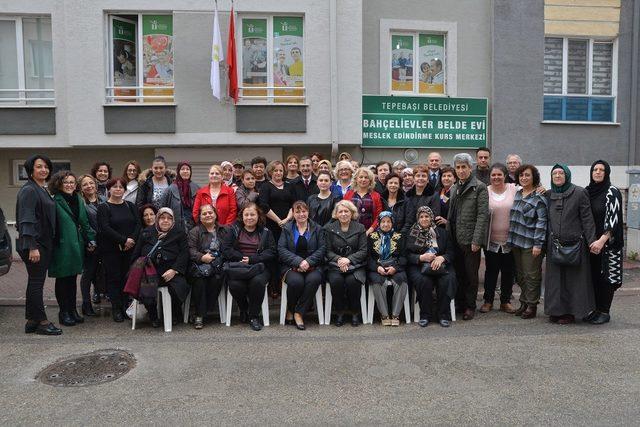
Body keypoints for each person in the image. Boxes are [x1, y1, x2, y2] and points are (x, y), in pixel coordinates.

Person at [544, 164, 597, 324]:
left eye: (561, 173)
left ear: (567, 175)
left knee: (574, 281)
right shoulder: (547, 194)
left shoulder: (580, 193)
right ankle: (555, 310)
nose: (558, 176)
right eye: (555, 173)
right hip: (554, 245)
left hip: (575, 245)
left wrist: (592, 241)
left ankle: (571, 312)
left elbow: (587, 219)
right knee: (555, 280)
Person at [16, 155, 61, 335]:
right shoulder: (29, 190)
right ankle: (42, 322)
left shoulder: (40, 188)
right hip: (35, 244)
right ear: (30, 170)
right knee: (36, 283)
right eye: (39, 167)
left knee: (34, 282)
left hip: (40, 243)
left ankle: (31, 320)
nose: (44, 170)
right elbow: (27, 220)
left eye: (46, 167)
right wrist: (33, 247)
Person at [48, 171, 97, 327]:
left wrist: (91, 239)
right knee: (62, 279)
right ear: (59, 184)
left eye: (72, 182)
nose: (69, 185)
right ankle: (64, 313)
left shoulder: (78, 199)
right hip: (61, 246)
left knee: (72, 280)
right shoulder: (55, 201)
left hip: (76, 245)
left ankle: (72, 310)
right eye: (66, 182)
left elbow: (84, 222)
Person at [221, 203, 277, 331]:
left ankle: (254, 316)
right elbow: (225, 248)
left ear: (258, 216)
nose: (249, 217)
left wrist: (252, 259)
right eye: (246, 214)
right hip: (238, 267)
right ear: (242, 216)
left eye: (252, 214)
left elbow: (272, 252)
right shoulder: (233, 230)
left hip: (259, 267)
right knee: (235, 285)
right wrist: (241, 258)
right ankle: (244, 308)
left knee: (257, 282)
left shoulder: (266, 232)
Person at [132, 208, 190, 328]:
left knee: (179, 288)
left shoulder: (179, 233)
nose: (165, 221)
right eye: (162, 218)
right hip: (150, 271)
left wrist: (174, 270)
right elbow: (136, 253)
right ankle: (153, 315)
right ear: (157, 219)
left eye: (169, 218)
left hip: (172, 270)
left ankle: (175, 313)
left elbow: (184, 254)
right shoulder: (146, 232)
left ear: (173, 221)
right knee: (146, 287)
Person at [448, 153, 489, 321]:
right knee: (457, 273)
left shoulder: (479, 187)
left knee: (471, 275)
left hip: (470, 239)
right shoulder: (453, 187)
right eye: (458, 167)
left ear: (470, 168)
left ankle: (470, 306)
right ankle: (460, 303)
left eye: (464, 167)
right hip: (454, 238)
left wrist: (476, 240)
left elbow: (482, 215)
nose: (461, 170)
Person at [585, 160, 624, 325]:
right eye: (595, 169)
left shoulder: (612, 191)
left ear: (607, 173)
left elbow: (614, 220)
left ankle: (604, 311)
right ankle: (595, 309)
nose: (598, 172)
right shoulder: (588, 191)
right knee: (593, 276)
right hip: (591, 244)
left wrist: (602, 240)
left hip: (608, 245)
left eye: (602, 170)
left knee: (607, 278)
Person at [97, 178, 141, 322]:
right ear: (109, 189)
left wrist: (131, 240)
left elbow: (138, 225)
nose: (118, 189)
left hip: (129, 249)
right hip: (111, 250)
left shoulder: (130, 206)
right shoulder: (104, 207)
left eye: (121, 187)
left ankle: (125, 306)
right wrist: (123, 240)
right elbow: (105, 228)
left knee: (126, 277)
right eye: (114, 187)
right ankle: (116, 308)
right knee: (114, 278)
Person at [278, 201, 326, 330]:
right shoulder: (287, 229)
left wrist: (308, 262)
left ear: (308, 212)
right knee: (296, 282)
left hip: (313, 265)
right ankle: (292, 309)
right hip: (291, 266)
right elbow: (281, 249)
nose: (301, 214)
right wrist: (298, 261)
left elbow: (322, 249)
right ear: (293, 214)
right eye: (297, 212)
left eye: (304, 211)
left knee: (314, 280)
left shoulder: (317, 228)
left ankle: (298, 312)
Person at [508, 164, 548, 318]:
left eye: (527, 175)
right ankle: (524, 302)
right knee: (520, 275)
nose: (524, 178)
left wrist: (538, 244)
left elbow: (541, 222)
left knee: (532, 276)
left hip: (531, 244)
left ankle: (532, 305)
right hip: (516, 241)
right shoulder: (517, 194)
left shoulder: (539, 198)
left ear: (534, 178)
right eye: (521, 175)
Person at [405, 207, 455, 327]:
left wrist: (442, 258)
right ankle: (425, 315)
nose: (424, 219)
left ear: (431, 217)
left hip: (441, 264)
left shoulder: (442, 232)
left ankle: (443, 315)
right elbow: (406, 255)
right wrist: (421, 258)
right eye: (421, 217)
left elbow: (451, 252)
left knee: (447, 280)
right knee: (424, 281)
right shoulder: (411, 233)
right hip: (419, 265)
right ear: (418, 218)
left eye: (427, 216)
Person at [480, 163, 517, 314]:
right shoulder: (485, 191)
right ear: (490, 177)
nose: (496, 177)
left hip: (510, 240)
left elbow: (531, 189)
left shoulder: (514, 189)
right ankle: (488, 301)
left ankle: (505, 301)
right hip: (491, 240)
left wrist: (541, 188)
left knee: (509, 271)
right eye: (493, 175)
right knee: (491, 271)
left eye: (499, 175)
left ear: (505, 175)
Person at [325, 200, 367, 326]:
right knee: (336, 281)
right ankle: (339, 313)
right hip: (335, 266)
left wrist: (349, 259)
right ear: (336, 214)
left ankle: (355, 312)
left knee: (352, 281)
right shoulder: (329, 228)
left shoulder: (360, 228)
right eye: (341, 211)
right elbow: (327, 251)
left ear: (352, 213)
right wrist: (339, 259)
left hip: (356, 265)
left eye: (346, 211)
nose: (343, 214)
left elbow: (363, 250)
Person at [188, 204, 226, 329]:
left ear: (215, 214)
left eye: (210, 212)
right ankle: (200, 315)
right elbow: (190, 250)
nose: (208, 215)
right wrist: (202, 257)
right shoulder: (195, 232)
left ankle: (202, 312)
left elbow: (229, 248)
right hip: (198, 267)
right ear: (200, 217)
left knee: (216, 279)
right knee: (199, 281)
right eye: (204, 213)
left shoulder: (223, 230)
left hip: (217, 266)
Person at [367, 211, 408, 326]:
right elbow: (368, 258)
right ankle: (384, 314)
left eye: (388, 221)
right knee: (377, 281)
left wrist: (395, 267)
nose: (386, 224)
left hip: (395, 267)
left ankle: (395, 314)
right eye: (383, 222)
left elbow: (404, 257)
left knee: (402, 280)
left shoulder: (399, 237)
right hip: (377, 268)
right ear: (379, 223)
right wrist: (376, 268)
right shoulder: (371, 237)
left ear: (392, 223)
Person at [78, 174, 103, 316]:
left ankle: (100, 294)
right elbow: (82, 225)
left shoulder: (104, 200)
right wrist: (90, 241)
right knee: (88, 273)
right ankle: (86, 304)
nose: (89, 186)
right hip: (91, 244)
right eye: (85, 184)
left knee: (100, 272)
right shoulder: (81, 203)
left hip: (105, 243)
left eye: (91, 183)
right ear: (81, 188)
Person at [344, 167, 384, 236]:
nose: (363, 179)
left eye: (366, 177)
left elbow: (379, 216)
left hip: (370, 233)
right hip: (350, 232)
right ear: (356, 179)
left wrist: (370, 230)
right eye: (361, 177)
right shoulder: (348, 194)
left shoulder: (376, 196)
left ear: (370, 180)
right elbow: (343, 212)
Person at [161, 161, 200, 231]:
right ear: (178, 171)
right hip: (175, 225)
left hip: (193, 225)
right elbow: (163, 209)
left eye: (187, 169)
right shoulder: (170, 189)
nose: (185, 171)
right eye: (182, 169)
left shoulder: (197, 188)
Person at [401, 164, 437, 233]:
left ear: (427, 179)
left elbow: (434, 217)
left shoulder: (434, 195)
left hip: (426, 233)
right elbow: (404, 217)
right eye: (418, 176)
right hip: (407, 231)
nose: (420, 178)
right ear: (414, 179)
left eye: (423, 176)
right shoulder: (407, 195)